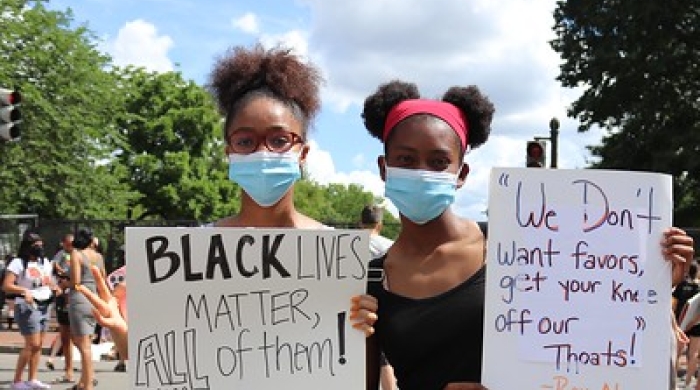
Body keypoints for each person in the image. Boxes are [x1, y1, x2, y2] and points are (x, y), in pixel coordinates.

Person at [349, 79, 696, 390]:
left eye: (439, 162)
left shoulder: (518, 244)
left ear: (462, 172)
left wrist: (653, 280)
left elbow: (589, 326)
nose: (422, 172)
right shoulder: (371, 278)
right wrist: (353, 338)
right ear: (384, 167)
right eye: (406, 160)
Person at [76, 42, 327, 360]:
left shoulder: (333, 257)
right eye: (245, 141)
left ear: (302, 152)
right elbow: (156, 361)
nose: (263, 152)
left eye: (279, 140)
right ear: (229, 151)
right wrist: (123, 332)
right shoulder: (189, 256)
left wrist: (363, 330)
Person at [2, 231, 59, 389]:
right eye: (36, 246)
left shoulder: (44, 262)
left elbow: (47, 281)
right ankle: (17, 381)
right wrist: (23, 291)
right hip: (28, 306)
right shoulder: (18, 263)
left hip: (44, 304)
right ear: (28, 247)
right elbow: (7, 286)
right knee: (31, 344)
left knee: (39, 344)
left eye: (41, 245)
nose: (39, 249)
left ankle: (32, 378)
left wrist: (54, 287)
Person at [68, 228, 105, 390]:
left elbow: (76, 281)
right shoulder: (99, 257)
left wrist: (65, 284)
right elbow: (102, 279)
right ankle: (84, 381)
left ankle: (88, 384)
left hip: (80, 298)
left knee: (83, 346)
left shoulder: (76, 254)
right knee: (85, 342)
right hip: (94, 298)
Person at [46, 233, 74, 384]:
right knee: (65, 333)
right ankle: (68, 369)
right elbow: (52, 266)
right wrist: (60, 276)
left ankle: (84, 371)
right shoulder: (61, 254)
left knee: (80, 336)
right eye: (68, 243)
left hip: (75, 293)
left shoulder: (78, 255)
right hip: (63, 293)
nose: (70, 246)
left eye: (72, 243)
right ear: (63, 243)